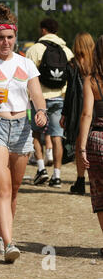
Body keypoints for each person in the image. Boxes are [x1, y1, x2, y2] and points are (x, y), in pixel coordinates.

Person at [0, 4, 47, 263]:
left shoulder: (25, 63)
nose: (6, 42)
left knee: (13, 190)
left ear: (15, 37)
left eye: (10, 37)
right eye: (1, 38)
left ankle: (3, 234)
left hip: (22, 129)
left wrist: (41, 111)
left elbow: (36, 93)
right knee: (2, 188)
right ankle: (11, 243)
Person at [26, 18, 74, 188]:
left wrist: (29, 98)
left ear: (43, 30)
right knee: (56, 137)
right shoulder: (67, 51)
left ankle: (41, 169)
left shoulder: (35, 49)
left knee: (36, 133)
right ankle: (57, 176)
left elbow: (28, 77)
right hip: (59, 98)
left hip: (39, 100)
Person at [60, 32, 95, 194]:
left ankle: (80, 180)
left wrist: (65, 114)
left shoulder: (73, 64)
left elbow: (69, 93)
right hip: (95, 107)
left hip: (77, 108)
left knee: (81, 145)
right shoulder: (97, 63)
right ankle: (95, 180)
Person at [78, 35, 103, 257]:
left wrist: (82, 147)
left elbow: (86, 114)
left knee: (99, 193)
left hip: (97, 140)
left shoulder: (91, 80)